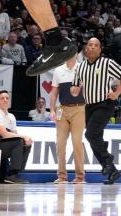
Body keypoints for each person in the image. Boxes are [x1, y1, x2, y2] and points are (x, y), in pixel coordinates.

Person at [70, 37, 121, 184]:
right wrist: (74, 90)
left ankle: (108, 160)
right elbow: (74, 87)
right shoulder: (80, 67)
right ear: (86, 48)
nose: (92, 47)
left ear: (100, 49)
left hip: (104, 104)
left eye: (95, 45)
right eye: (89, 45)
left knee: (90, 134)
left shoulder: (107, 63)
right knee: (94, 138)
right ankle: (112, 171)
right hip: (89, 106)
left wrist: (117, 93)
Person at [49, 55, 86, 184]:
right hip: (62, 109)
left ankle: (80, 177)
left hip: (79, 108)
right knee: (60, 143)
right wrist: (52, 110)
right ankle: (61, 176)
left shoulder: (83, 68)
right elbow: (54, 92)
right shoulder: (58, 70)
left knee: (77, 142)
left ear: (76, 54)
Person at [0, 90, 32, 184]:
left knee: (25, 143)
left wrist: (24, 139)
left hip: (4, 144)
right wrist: (23, 136)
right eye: (2, 98)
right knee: (19, 141)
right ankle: (10, 175)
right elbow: (5, 134)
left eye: (7, 98)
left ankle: (15, 174)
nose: (5, 100)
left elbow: (14, 134)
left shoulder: (11, 116)